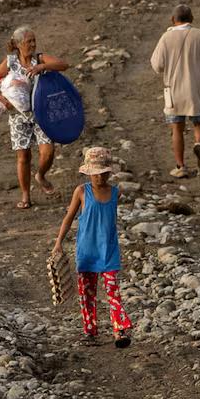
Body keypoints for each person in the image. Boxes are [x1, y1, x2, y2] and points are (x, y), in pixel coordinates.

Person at [52, 146, 132, 347]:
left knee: (113, 291)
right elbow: (69, 217)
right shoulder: (82, 191)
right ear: (88, 173)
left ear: (108, 172)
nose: (99, 178)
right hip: (87, 251)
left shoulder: (115, 192)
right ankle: (90, 331)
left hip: (109, 250)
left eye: (103, 173)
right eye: (95, 174)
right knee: (87, 294)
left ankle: (119, 331)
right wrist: (58, 242)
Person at [0, 26, 68, 209]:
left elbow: (64, 64)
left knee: (48, 151)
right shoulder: (9, 62)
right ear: (17, 44)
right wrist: (2, 99)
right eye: (28, 41)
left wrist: (42, 67)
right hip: (18, 115)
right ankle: (26, 196)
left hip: (41, 113)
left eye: (34, 40)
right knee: (23, 156)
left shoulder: (39, 58)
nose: (32, 44)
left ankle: (40, 175)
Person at [148, 3, 200, 178]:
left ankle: (180, 166)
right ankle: (198, 143)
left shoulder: (165, 38)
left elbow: (157, 66)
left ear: (173, 19)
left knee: (177, 129)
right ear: (192, 18)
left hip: (173, 91)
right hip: (196, 89)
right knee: (199, 123)